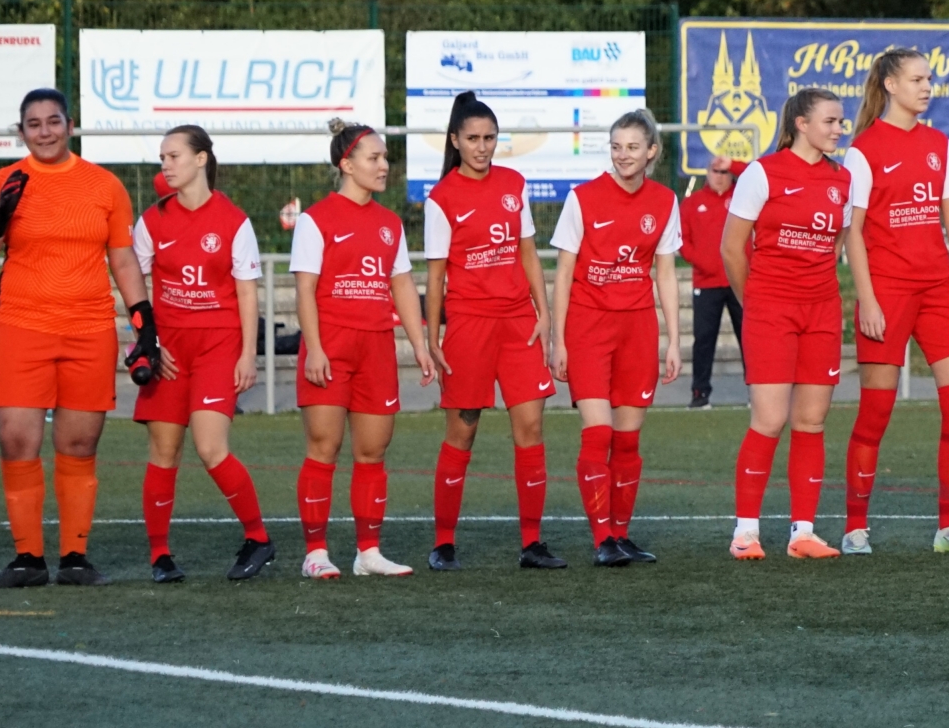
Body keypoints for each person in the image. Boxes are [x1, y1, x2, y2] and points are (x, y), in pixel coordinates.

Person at [0, 88, 161, 588]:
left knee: (78, 442)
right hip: (20, 327)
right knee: (17, 441)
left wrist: (144, 322)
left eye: (53, 121)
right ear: (21, 132)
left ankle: (75, 557)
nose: (45, 131)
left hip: (88, 330)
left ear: (70, 126)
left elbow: (123, 259)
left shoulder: (104, 185)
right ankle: (28, 559)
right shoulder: (4, 181)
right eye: (33, 124)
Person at [842, 48, 949, 556]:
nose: (927, 87)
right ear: (891, 85)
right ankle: (855, 528)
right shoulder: (863, 150)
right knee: (875, 412)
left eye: (930, 79)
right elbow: (853, 233)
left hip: (938, 291)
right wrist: (868, 298)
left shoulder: (937, 143)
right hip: (887, 293)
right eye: (918, 79)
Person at [423, 91, 565, 570]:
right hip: (469, 326)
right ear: (455, 141)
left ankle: (532, 543)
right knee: (462, 431)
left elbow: (528, 252)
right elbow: (436, 277)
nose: (482, 147)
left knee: (531, 427)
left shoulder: (513, 184)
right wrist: (433, 337)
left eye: (489, 138)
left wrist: (544, 313)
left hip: (519, 323)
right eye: (473, 139)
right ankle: (444, 543)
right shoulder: (441, 198)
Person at [292, 120, 435, 578]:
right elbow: (305, 289)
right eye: (374, 158)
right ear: (347, 164)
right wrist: (315, 349)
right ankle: (315, 553)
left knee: (373, 452)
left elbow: (402, 286)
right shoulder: (316, 219)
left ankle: (368, 553)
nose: (383, 165)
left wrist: (420, 344)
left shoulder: (390, 223)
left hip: (376, 348)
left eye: (385, 157)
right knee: (324, 446)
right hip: (331, 346)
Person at [132, 128, 277, 583]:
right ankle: (160, 556)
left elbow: (247, 293)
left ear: (201, 159)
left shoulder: (233, 220)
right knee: (164, 450)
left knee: (211, 447)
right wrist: (149, 343)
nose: (165, 164)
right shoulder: (151, 220)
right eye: (162, 157)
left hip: (218, 344)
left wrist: (248, 354)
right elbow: (135, 289)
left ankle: (258, 537)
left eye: (174, 155)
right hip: (169, 349)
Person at [549, 109, 683, 565]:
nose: (623, 155)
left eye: (632, 147)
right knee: (598, 432)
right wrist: (558, 339)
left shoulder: (664, 200)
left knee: (627, 440)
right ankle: (602, 538)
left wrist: (673, 340)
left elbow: (665, 273)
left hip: (637, 328)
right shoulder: (582, 198)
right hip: (588, 327)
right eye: (616, 147)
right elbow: (563, 273)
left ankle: (621, 535)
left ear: (651, 152)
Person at [722, 87, 851, 560]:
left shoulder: (842, 178)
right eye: (830, 121)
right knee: (770, 419)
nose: (839, 129)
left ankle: (803, 534)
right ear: (801, 123)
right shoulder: (763, 172)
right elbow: (731, 249)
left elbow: (835, 245)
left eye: (840, 121)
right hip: (771, 309)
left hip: (822, 310)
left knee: (811, 421)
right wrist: (755, 302)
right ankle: (745, 533)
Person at [681, 154, 745, 408]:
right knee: (704, 339)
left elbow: (759, 176)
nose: (719, 177)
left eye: (724, 172)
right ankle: (700, 394)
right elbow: (682, 239)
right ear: (707, 173)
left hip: (739, 281)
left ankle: (759, 392)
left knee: (750, 338)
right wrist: (702, 262)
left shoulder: (742, 198)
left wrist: (734, 164)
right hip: (706, 283)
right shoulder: (692, 203)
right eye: (715, 171)